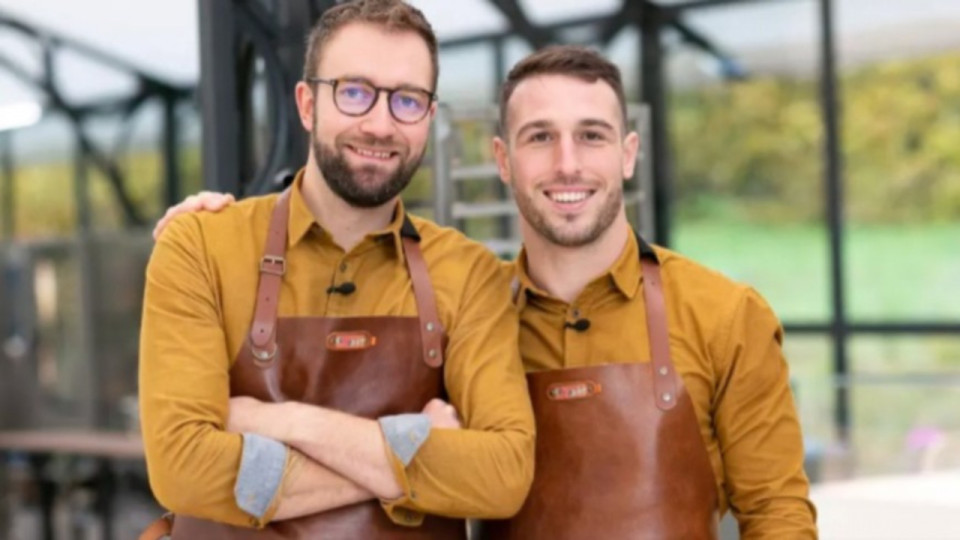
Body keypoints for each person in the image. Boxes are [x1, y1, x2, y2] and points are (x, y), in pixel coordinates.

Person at [156, 46, 818, 539]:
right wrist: (216, 236)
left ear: (628, 153)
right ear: (504, 161)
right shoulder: (466, 310)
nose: (567, 164)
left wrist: (274, 421)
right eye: (540, 138)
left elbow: (778, 514)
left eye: (592, 135)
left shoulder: (725, 314)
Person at [137, 1, 535, 538]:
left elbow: (500, 476)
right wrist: (416, 442)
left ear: (430, 116)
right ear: (307, 104)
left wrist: (283, 422)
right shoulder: (202, 245)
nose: (379, 123)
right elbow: (182, 469)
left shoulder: (469, 273)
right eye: (354, 92)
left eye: (407, 100)